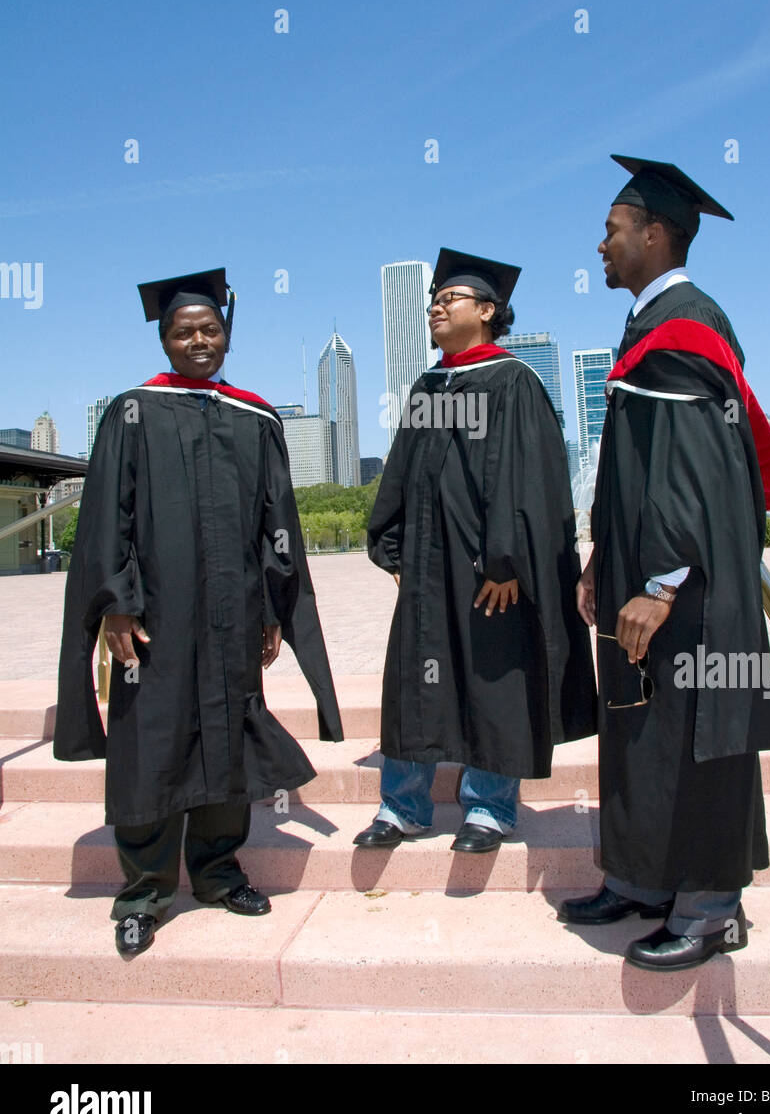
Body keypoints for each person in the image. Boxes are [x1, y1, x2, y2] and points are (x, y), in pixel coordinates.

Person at [55, 268, 343, 958]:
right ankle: (144, 893)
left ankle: (217, 872)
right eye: (184, 331)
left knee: (226, 735)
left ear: (227, 335)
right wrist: (115, 609)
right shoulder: (132, 413)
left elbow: (278, 520)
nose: (198, 340)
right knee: (150, 746)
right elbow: (106, 523)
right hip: (153, 618)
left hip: (233, 614)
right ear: (164, 339)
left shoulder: (253, 416)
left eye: (210, 329)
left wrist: (274, 606)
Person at [561, 156, 770, 970]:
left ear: (653, 234)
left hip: (685, 593)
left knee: (697, 732)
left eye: (612, 231)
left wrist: (661, 582)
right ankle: (642, 881)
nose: (600, 246)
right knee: (642, 732)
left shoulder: (687, 325)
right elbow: (634, 469)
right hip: (640, 578)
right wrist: (601, 560)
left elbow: (693, 469)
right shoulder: (650, 326)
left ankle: (708, 908)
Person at [357, 248, 596, 854]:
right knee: (416, 678)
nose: (435, 309)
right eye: (433, 303)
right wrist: (394, 548)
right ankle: (402, 805)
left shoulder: (513, 380)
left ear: (487, 310)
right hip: (429, 567)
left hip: (492, 572)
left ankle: (489, 807)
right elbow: (404, 470)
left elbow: (532, 481)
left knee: (494, 677)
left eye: (449, 301)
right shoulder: (430, 385)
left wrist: (506, 560)